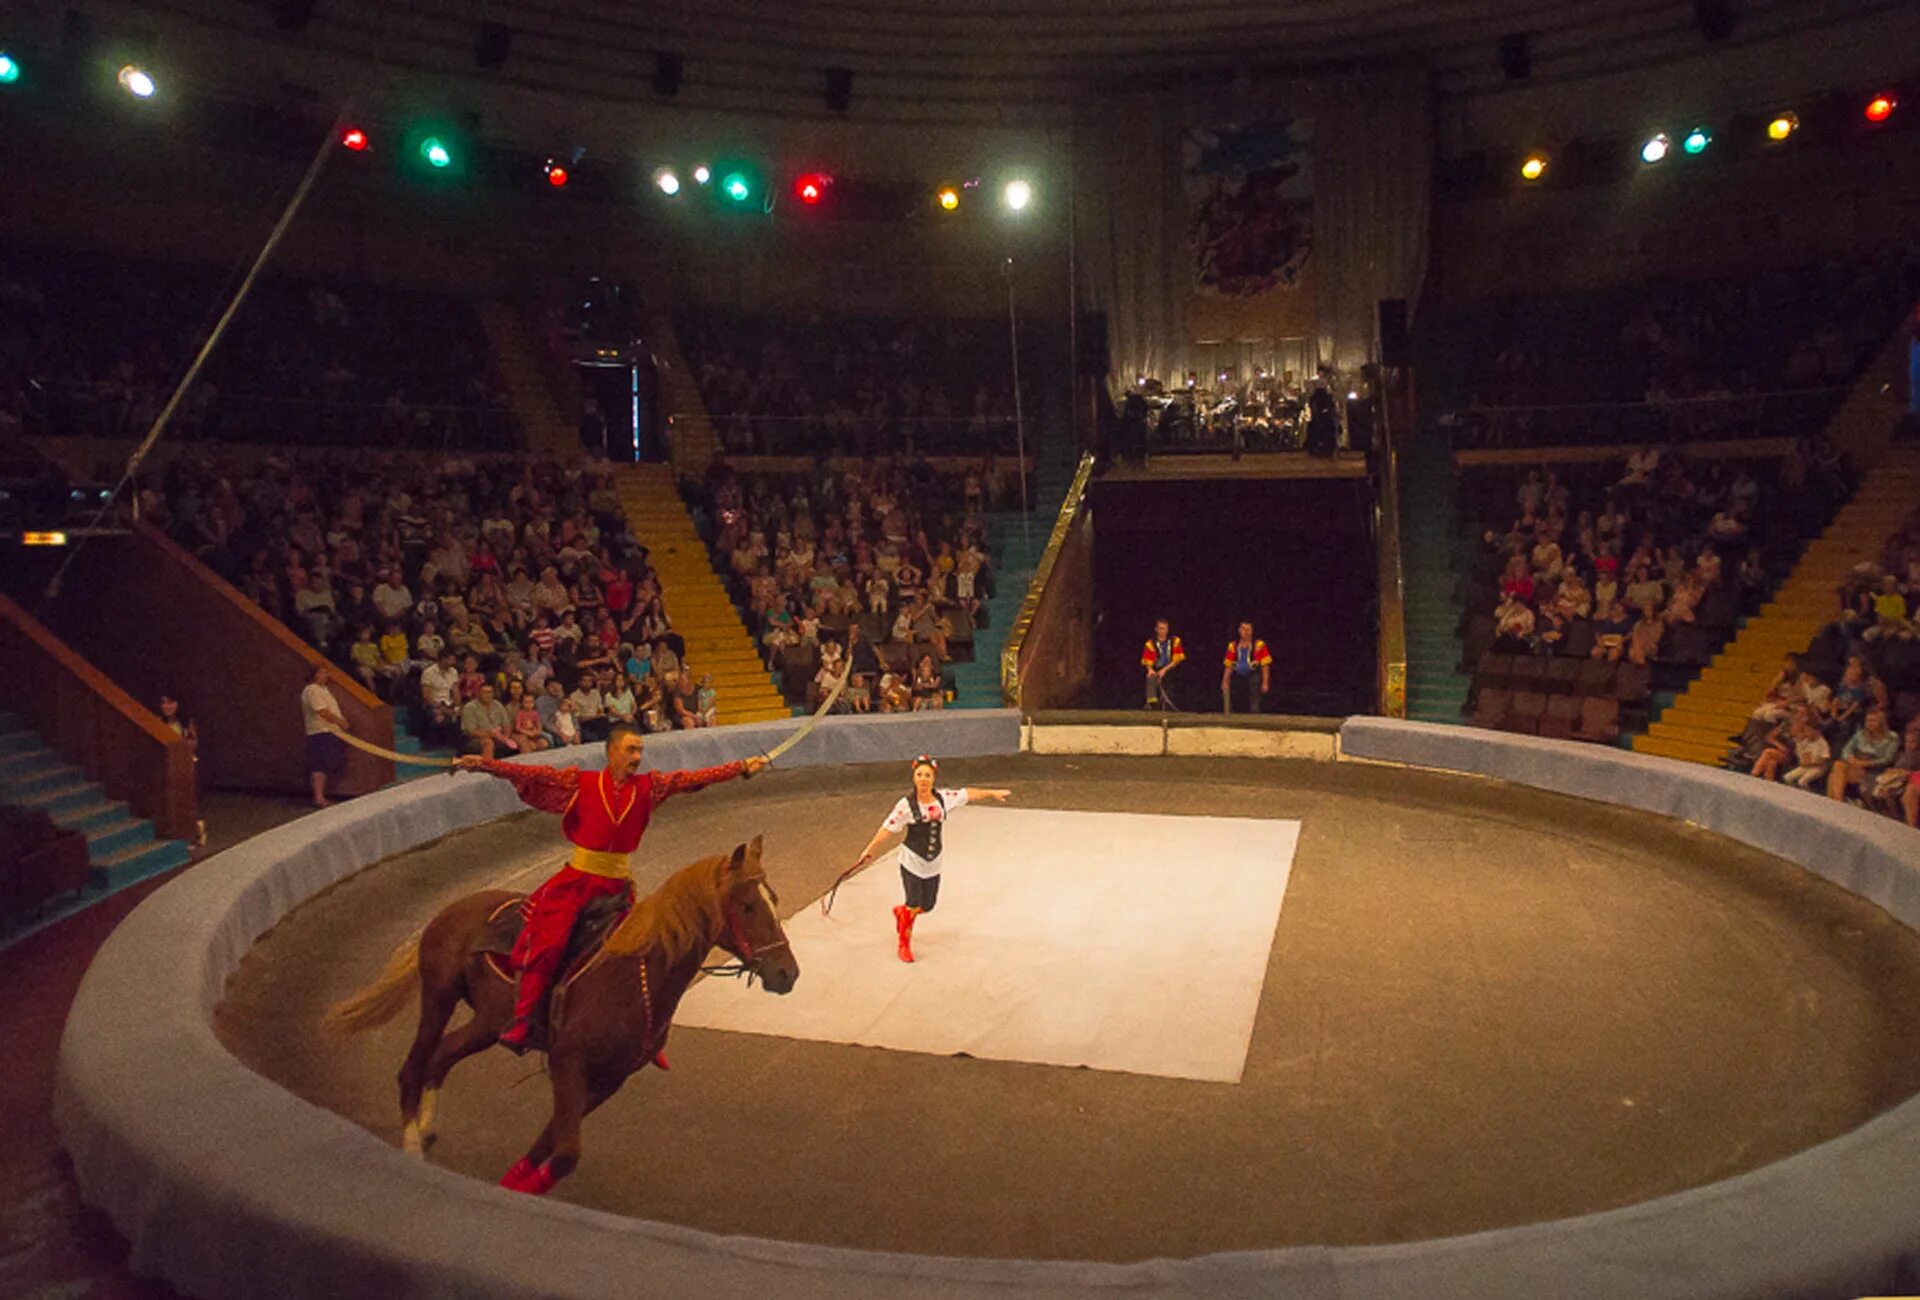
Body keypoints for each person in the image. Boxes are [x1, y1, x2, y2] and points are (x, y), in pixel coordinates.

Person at [452, 729, 768, 1051]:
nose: (636, 758)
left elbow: (690, 779)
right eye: (630, 750)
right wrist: (485, 765)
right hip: (576, 884)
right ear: (612, 751)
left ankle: (647, 1033)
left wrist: (740, 767)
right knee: (547, 944)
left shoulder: (649, 787)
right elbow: (532, 773)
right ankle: (522, 1020)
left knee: (642, 954)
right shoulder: (581, 783)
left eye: (639, 751)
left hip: (617, 889)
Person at [846, 756, 1011, 963]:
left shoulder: (943, 798)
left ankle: (902, 912)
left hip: (934, 860)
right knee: (914, 903)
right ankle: (904, 943)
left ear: (933, 778)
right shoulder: (905, 805)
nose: (923, 779)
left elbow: (967, 794)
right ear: (914, 778)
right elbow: (887, 828)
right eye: (919, 775)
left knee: (928, 905)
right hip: (912, 859)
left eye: (927, 775)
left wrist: (991, 793)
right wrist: (870, 849)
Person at [300, 663, 350, 808]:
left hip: (330, 732)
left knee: (325, 764)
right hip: (320, 732)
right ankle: (319, 797)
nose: (326, 676)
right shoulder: (312, 690)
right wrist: (340, 722)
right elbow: (322, 711)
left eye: (326, 673)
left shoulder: (324, 690)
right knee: (319, 765)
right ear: (315, 675)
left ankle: (321, 795)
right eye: (322, 673)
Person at [1220, 621, 1272, 714]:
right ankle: (1231, 713)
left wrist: (1265, 682)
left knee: (1255, 682)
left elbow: (1265, 665)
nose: (1246, 632)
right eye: (1243, 629)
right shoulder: (1233, 646)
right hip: (1238, 675)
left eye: (1248, 629)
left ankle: (1254, 712)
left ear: (1252, 631)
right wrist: (1225, 680)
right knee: (1233, 688)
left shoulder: (1259, 645)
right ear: (1239, 630)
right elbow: (1229, 665)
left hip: (1253, 674)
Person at [1141, 618, 1185, 710]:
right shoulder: (1150, 643)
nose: (1163, 631)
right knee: (1150, 677)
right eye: (1160, 628)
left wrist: (1164, 670)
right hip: (1157, 669)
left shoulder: (1175, 641)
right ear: (1156, 629)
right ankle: (1151, 703)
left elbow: (1177, 660)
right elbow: (1147, 660)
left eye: (1164, 628)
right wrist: (1150, 669)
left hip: (1172, 669)